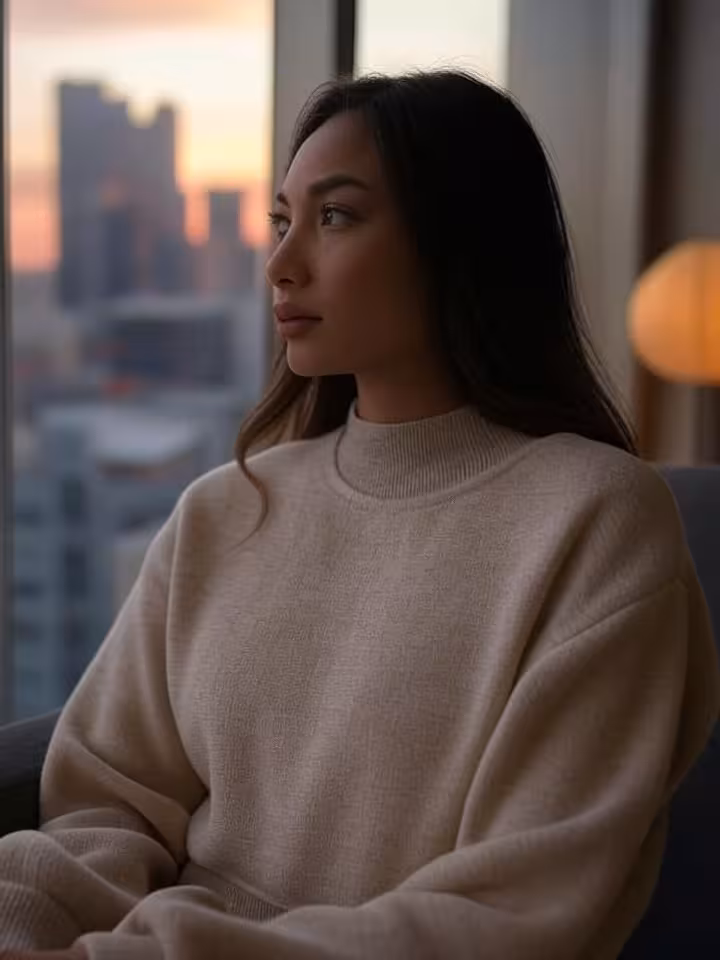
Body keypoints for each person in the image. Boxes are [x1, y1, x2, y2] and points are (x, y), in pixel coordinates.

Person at [0, 69, 718, 960]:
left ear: (462, 242)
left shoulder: (596, 519)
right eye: (281, 220)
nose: (280, 264)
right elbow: (102, 806)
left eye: (335, 217)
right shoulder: (223, 511)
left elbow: (513, 915)